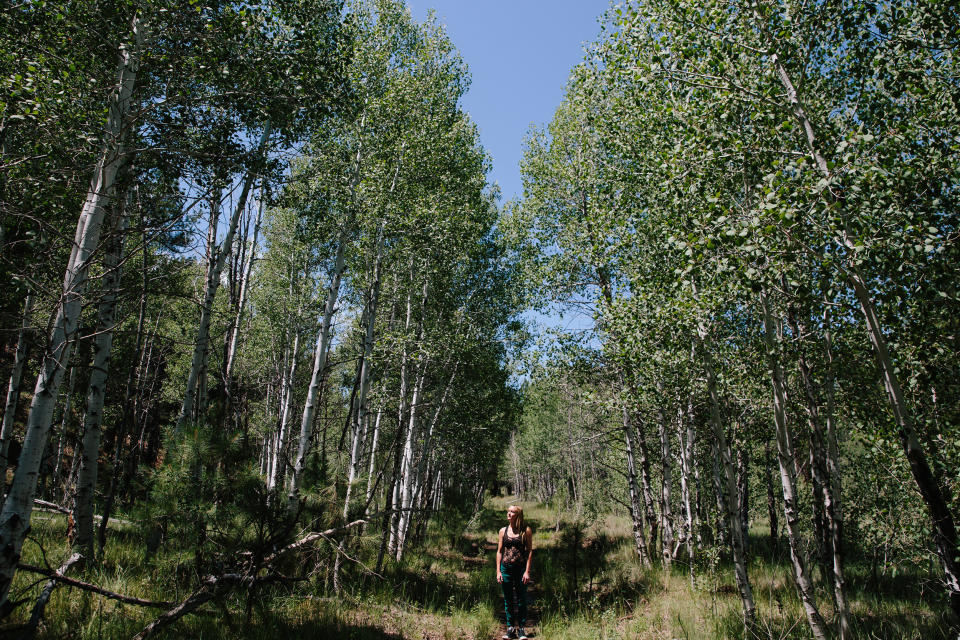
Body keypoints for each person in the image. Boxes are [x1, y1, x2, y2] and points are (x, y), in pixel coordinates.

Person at [497, 504, 533, 640]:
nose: (509, 514)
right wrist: (498, 571)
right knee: (508, 599)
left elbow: (529, 551)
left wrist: (527, 572)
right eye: (508, 511)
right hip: (505, 568)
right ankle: (510, 628)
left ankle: (522, 629)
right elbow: (499, 551)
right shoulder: (503, 531)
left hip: (521, 569)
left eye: (512, 512)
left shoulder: (526, 531)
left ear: (518, 515)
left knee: (521, 598)